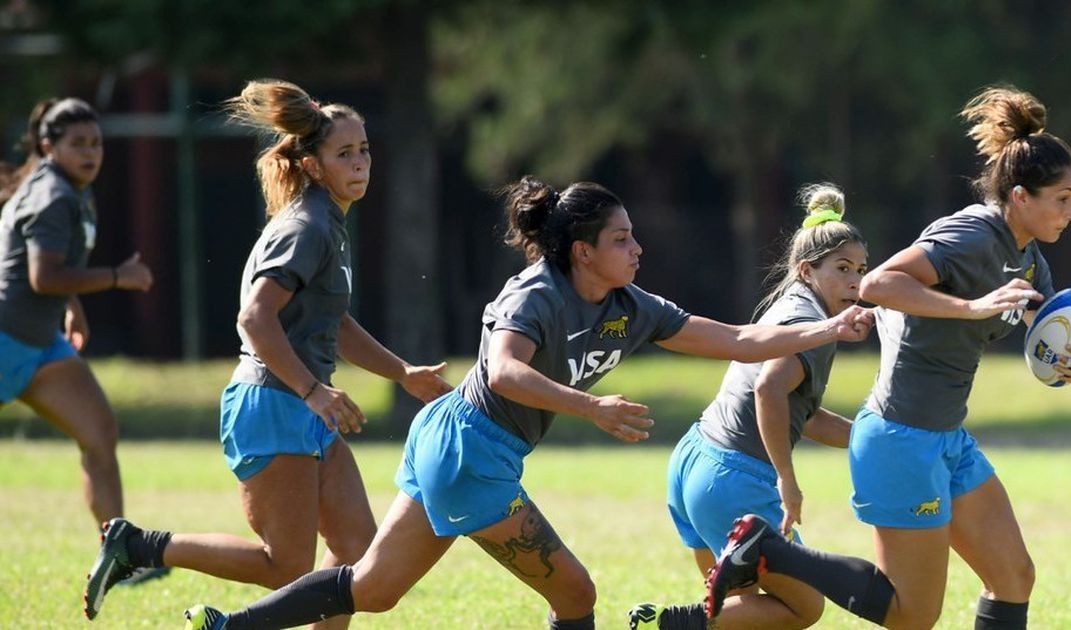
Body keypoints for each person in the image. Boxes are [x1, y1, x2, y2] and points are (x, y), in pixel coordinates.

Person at [181, 174, 875, 630]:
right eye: (621, 239)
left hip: (463, 446)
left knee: (375, 588)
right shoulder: (535, 293)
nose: (638, 247)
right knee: (575, 596)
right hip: (469, 450)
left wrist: (829, 326)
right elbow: (506, 372)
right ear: (581, 251)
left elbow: (737, 337)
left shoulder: (631, 306)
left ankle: (228, 627)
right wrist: (591, 407)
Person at [704, 85, 1071, 630]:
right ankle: (769, 551)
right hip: (900, 438)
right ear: (1020, 196)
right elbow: (879, 282)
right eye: (1062, 198)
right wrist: (971, 306)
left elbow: (1048, 335)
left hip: (947, 438)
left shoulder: (1029, 263)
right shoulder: (971, 232)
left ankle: (765, 551)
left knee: (1014, 576)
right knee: (911, 616)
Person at [81, 79, 452, 625]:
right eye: (344, 153)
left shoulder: (329, 223)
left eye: (364, 150)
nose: (360, 163)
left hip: (303, 408)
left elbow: (334, 321)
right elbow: (254, 319)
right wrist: (313, 390)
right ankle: (138, 545)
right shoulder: (307, 226)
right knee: (285, 567)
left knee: (357, 551)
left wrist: (403, 373)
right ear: (312, 164)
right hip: (272, 405)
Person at [630, 183, 871, 630]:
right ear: (806, 271)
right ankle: (665, 625)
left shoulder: (790, 307)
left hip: (694, 461)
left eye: (860, 269)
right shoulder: (815, 326)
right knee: (805, 606)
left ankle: (665, 624)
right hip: (733, 480)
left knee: (743, 616)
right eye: (842, 268)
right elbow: (768, 391)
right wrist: (787, 481)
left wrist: (869, 438)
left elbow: (803, 415)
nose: (856, 281)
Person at [0, 98, 154, 526]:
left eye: (96, 144)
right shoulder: (52, 195)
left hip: (42, 345)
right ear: (49, 147)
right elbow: (44, 278)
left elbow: (55, 269)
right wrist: (118, 276)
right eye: (78, 144)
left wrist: (74, 308)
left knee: (99, 434)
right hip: (6, 338)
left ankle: (119, 554)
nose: (90, 154)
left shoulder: (71, 190)